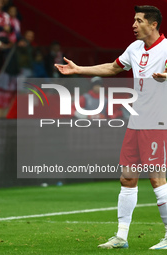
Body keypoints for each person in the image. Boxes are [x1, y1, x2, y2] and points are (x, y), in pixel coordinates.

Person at [55, 5, 167, 250]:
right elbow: (114, 67)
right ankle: (121, 237)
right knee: (127, 178)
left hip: (158, 122)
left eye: (138, 21)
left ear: (153, 24)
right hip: (136, 121)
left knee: (157, 178)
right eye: (134, 20)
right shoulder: (135, 48)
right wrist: (79, 69)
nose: (134, 25)